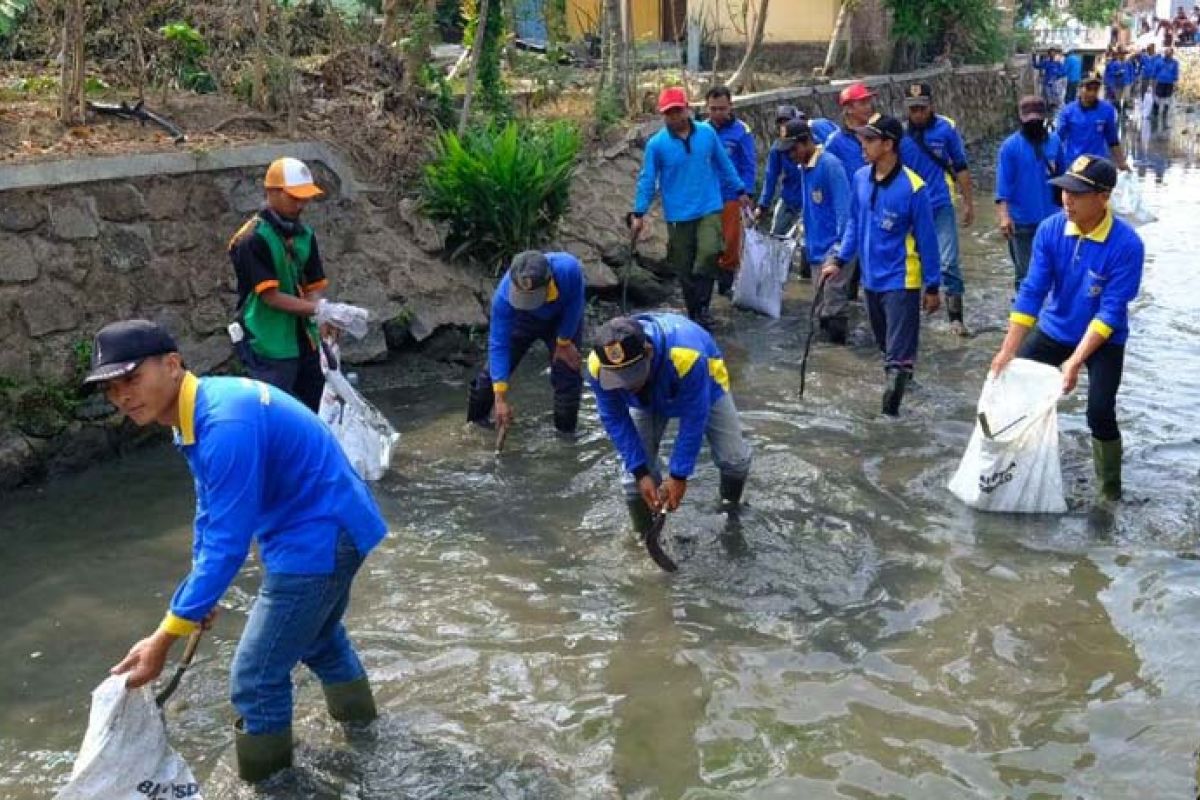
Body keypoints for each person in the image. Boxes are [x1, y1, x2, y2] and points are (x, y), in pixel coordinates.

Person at [91, 319, 388, 783]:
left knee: (254, 679)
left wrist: (164, 637)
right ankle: (369, 738)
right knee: (320, 640)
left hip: (320, 534)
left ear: (172, 365)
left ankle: (272, 787)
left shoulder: (223, 422)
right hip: (330, 522)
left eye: (131, 379)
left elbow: (228, 544)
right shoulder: (198, 411)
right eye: (111, 389)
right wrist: (194, 602)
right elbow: (210, 513)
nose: (122, 396)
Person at [989, 156, 1143, 502]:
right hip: (1056, 327)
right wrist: (1007, 350)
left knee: (1099, 411)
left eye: (1077, 193)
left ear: (1104, 197)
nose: (1066, 200)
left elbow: (1110, 312)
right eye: (1063, 191)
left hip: (1104, 338)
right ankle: (1015, 470)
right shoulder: (1050, 229)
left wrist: (1074, 361)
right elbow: (1032, 293)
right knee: (1017, 388)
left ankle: (1109, 492)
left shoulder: (1127, 245)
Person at [585, 313, 752, 536]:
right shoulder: (597, 365)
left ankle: (730, 513)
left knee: (735, 460)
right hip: (645, 402)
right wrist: (640, 471)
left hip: (704, 385)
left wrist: (678, 476)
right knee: (632, 482)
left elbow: (694, 419)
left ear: (649, 353)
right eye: (619, 377)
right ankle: (645, 540)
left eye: (631, 375)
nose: (626, 384)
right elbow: (614, 418)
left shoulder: (688, 356)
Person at [822, 115, 942, 417]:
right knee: (888, 352)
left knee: (896, 363)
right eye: (862, 139)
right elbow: (854, 222)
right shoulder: (861, 178)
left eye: (869, 140)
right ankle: (908, 402)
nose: (862, 145)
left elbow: (928, 241)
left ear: (889, 144)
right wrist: (839, 259)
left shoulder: (914, 188)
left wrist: (933, 286)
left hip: (902, 281)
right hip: (871, 281)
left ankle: (888, 427)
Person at [227, 157, 360, 413]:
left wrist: (324, 315)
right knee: (277, 413)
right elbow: (271, 297)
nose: (300, 204)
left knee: (316, 410)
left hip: (304, 341)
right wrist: (320, 310)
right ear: (271, 192)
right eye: (293, 197)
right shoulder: (252, 239)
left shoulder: (305, 235)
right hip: (267, 343)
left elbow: (312, 286)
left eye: (304, 198)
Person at [631, 87, 751, 329]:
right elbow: (647, 179)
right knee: (684, 267)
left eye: (678, 111)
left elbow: (724, 163)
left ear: (687, 109)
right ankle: (695, 312)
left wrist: (740, 190)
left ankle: (703, 308)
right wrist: (638, 212)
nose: (674, 117)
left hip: (708, 206)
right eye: (669, 113)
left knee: (708, 253)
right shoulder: (657, 145)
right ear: (663, 115)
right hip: (678, 213)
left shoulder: (706, 134)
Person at [466, 250, 585, 436]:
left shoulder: (568, 269)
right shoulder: (503, 298)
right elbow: (499, 344)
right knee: (491, 378)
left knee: (567, 373)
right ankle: (474, 427)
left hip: (561, 320)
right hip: (522, 320)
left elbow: (575, 303)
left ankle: (565, 437)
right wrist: (500, 397)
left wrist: (564, 341)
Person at [899, 82, 975, 336]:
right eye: (913, 109)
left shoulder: (946, 129)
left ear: (932, 105)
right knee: (912, 262)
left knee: (948, 261)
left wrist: (968, 203)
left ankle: (956, 318)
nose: (918, 113)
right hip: (910, 209)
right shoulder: (899, 135)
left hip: (941, 204)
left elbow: (960, 165)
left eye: (922, 108)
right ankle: (916, 312)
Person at [776, 119, 852, 343]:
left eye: (793, 150)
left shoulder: (830, 166)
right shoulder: (804, 168)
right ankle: (826, 357)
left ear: (806, 142)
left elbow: (845, 212)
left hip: (834, 250)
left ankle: (839, 360)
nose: (790, 156)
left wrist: (839, 253)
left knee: (833, 307)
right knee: (821, 308)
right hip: (816, 249)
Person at [995, 96, 1065, 292]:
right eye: (1029, 120)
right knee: (1025, 275)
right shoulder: (1010, 147)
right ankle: (1024, 318)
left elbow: (1065, 178)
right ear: (1021, 119)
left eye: (1037, 119)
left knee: (1055, 272)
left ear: (1044, 118)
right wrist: (1004, 216)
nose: (1033, 124)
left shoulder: (1055, 142)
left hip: (1052, 220)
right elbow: (1003, 186)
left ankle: (1051, 319)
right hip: (1021, 222)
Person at [704, 86, 757, 297]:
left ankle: (725, 287)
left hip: (731, 197)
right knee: (707, 244)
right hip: (706, 198)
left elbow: (749, 165)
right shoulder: (701, 131)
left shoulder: (741, 132)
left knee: (730, 245)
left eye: (722, 109)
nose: (717, 113)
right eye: (713, 109)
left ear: (730, 107)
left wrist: (747, 193)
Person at [1056, 72, 1131, 171]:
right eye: (1088, 89)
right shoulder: (1068, 111)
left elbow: (1112, 140)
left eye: (1095, 90)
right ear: (1079, 89)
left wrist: (1121, 163)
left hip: (1097, 164)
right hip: (1073, 163)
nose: (1092, 93)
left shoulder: (1107, 110)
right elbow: (1058, 139)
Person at [755, 110, 807, 239]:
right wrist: (762, 205)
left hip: (807, 203)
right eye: (781, 124)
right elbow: (770, 177)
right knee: (775, 238)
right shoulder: (778, 149)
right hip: (788, 199)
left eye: (788, 122)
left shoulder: (811, 146)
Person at [1035, 47, 1067, 114]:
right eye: (1050, 53)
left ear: (1055, 54)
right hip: (1047, 82)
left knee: (1055, 95)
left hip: (1055, 83)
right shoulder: (1046, 62)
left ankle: (1053, 110)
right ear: (1048, 54)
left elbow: (1064, 72)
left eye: (1053, 53)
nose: (1052, 55)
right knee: (1047, 96)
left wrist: (1057, 74)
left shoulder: (1058, 63)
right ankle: (1048, 109)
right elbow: (1037, 66)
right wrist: (1033, 60)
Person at [1153, 46, 1180, 125]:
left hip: (1169, 83)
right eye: (1166, 52)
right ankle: (1155, 112)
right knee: (1157, 97)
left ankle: (1165, 113)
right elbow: (1154, 72)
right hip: (1160, 82)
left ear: (1172, 54)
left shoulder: (1175, 62)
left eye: (1170, 53)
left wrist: (1175, 83)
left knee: (1167, 98)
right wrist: (1153, 83)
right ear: (1164, 53)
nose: (1168, 54)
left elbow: (1176, 73)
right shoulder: (1158, 61)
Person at [1103, 49, 1128, 116]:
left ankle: (1118, 111)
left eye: (1115, 55)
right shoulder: (1110, 63)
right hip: (1111, 83)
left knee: (1114, 98)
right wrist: (1105, 82)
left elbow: (1120, 73)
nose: (1115, 56)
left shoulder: (1118, 63)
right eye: (1113, 55)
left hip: (1115, 83)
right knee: (1110, 98)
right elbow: (1107, 73)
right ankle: (1113, 111)